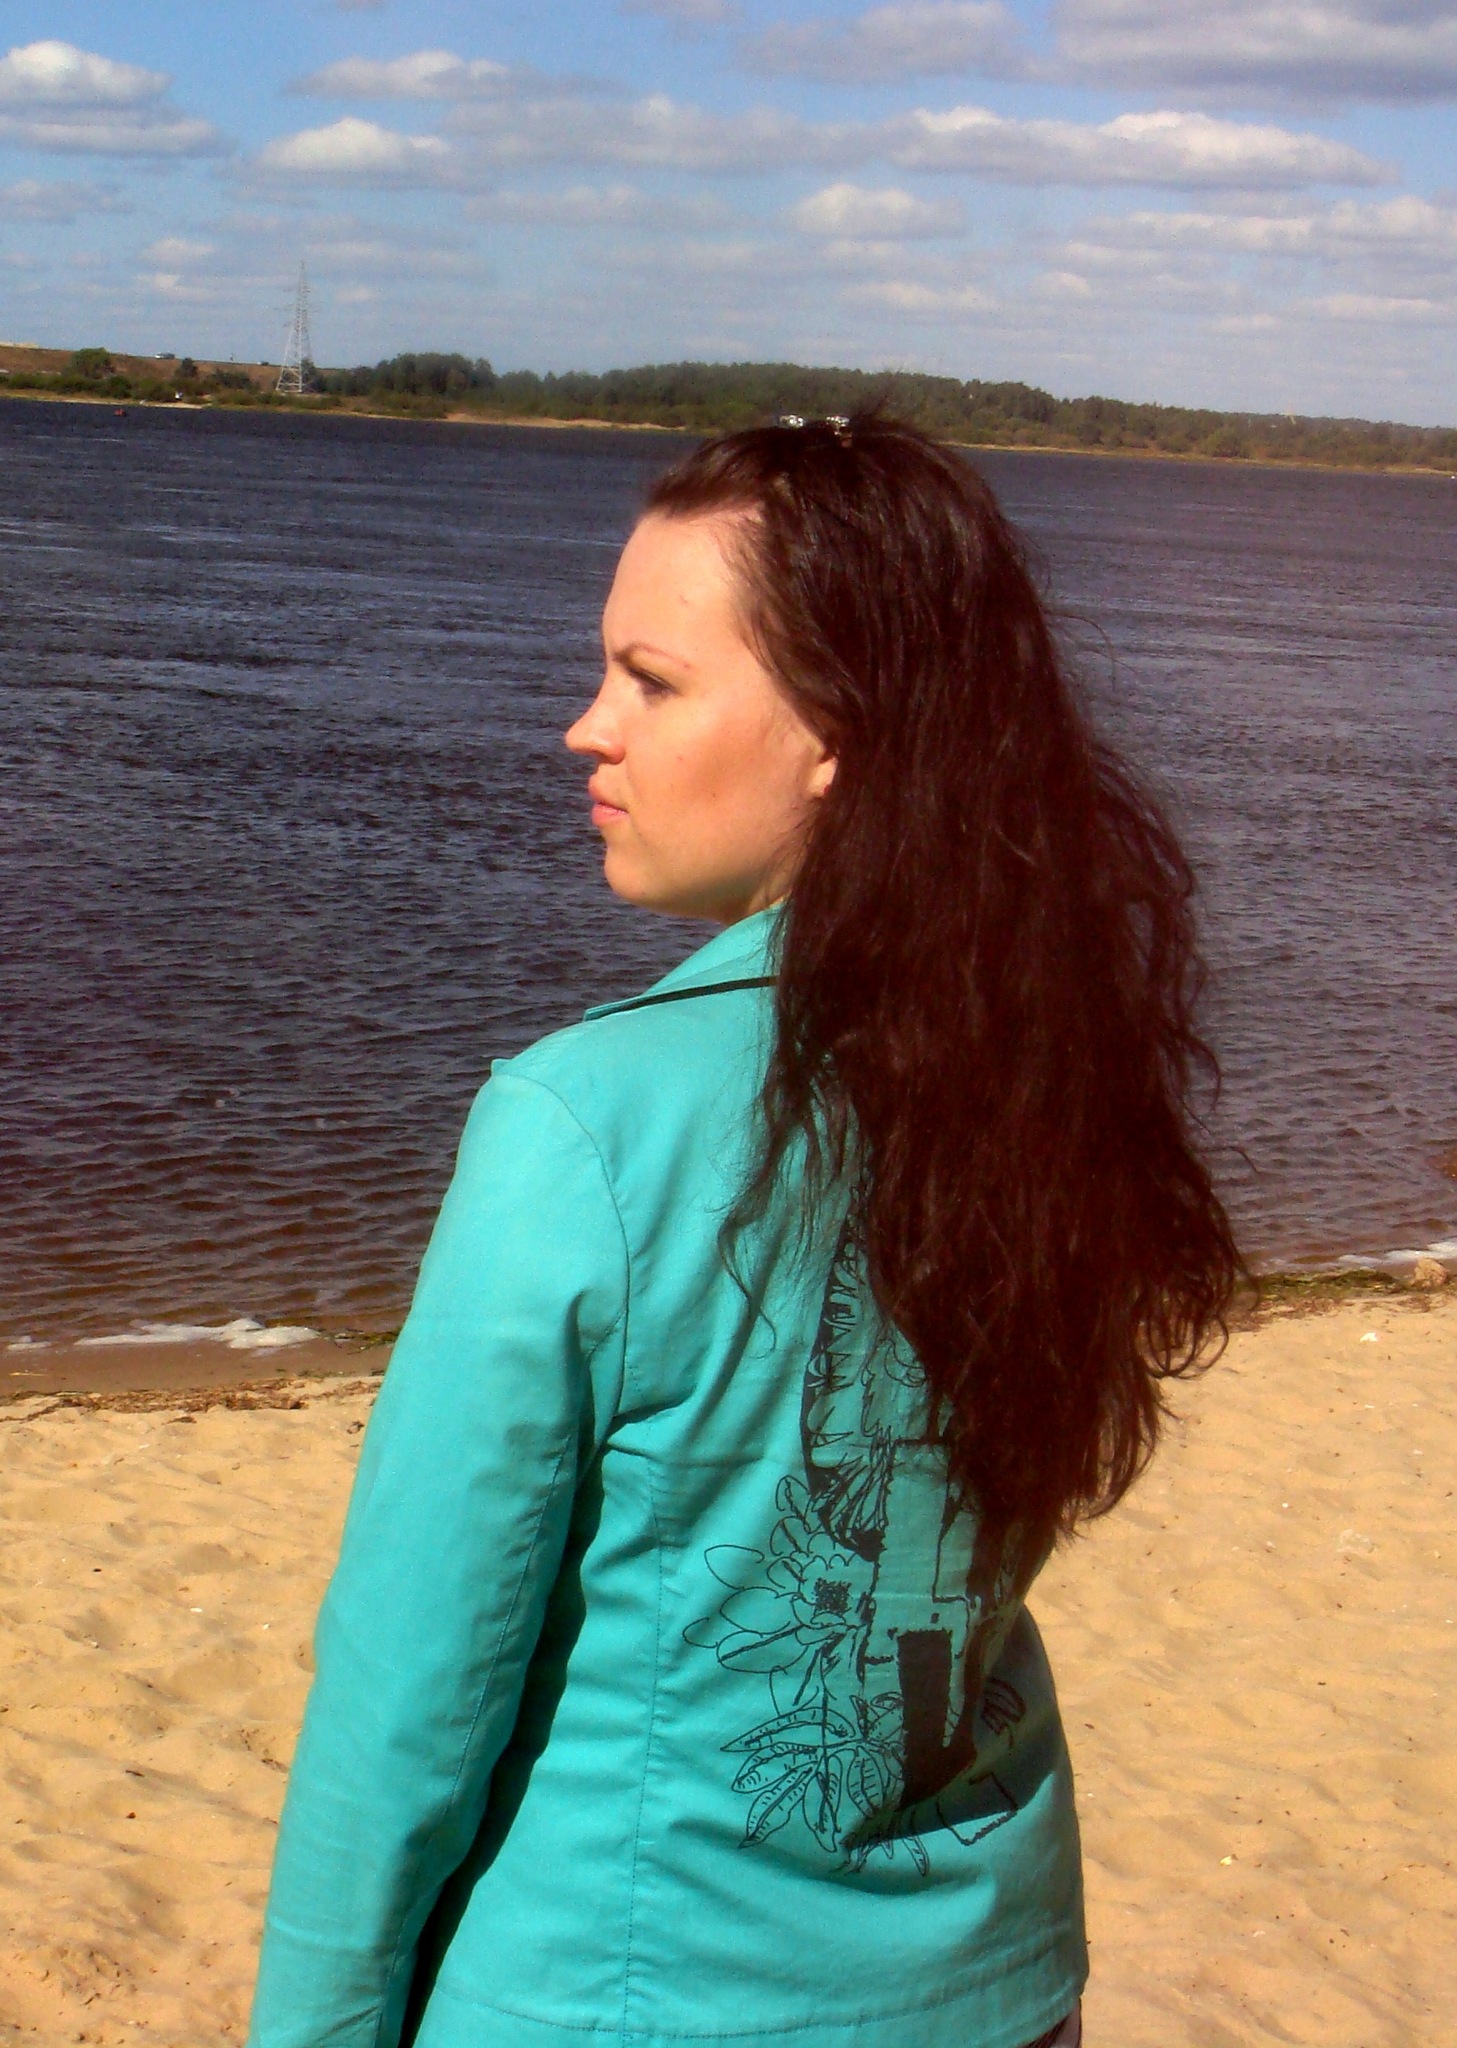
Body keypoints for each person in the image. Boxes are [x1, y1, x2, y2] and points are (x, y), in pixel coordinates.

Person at [247, 416, 1238, 2048]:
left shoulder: (583, 1124)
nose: (586, 727)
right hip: (991, 1986)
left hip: (632, 1992)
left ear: (838, 728)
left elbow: (410, 1686)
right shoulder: (1053, 1072)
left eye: (650, 681)